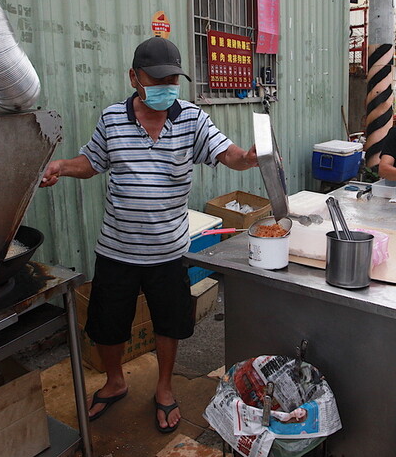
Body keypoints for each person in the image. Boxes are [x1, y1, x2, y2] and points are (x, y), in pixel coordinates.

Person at [40, 37, 258, 433]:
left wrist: (247, 158)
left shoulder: (192, 119)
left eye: (172, 79)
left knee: (168, 325)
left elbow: (229, 154)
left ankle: (164, 387)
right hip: (117, 249)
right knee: (107, 325)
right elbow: (92, 162)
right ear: (134, 78)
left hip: (168, 252)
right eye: (156, 79)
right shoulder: (112, 118)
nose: (166, 86)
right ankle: (115, 381)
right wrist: (61, 166)